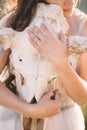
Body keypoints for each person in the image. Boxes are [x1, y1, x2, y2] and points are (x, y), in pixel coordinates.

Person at [0, 0, 86, 130]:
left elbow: (82, 98)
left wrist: (61, 64)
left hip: (63, 123)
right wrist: (31, 110)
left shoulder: (83, 24)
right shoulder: (14, 21)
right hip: (15, 120)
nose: (70, 2)